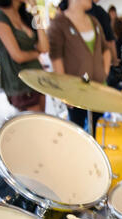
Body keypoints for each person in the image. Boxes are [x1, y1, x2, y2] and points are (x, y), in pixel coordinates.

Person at [48, 0, 110, 133]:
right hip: (76, 93)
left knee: (98, 130)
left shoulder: (94, 21)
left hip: (99, 90)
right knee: (78, 131)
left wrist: (104, 72)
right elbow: (56, 59)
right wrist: (66, 91)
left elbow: (105, 50)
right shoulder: (59, 24)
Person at [0, 0, 49, 112]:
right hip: (19, 80)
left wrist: (36, 12)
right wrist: (37, 53)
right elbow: (18, 56)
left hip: (37, 76)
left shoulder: (25, 15)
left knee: (41, 121)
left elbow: (44, 47)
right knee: (35, 124)